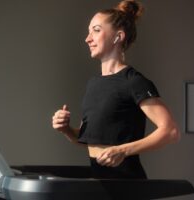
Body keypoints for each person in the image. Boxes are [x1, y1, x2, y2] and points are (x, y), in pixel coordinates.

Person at [52, 0, 180, 179]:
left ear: (117, 37)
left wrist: (123, 150)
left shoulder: (134, 82)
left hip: (127, 185)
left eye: (96, 30)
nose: (88, 38)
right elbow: (89, 141)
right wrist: (66, 129)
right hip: (100, 182)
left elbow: (170, 131)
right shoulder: (93, 84)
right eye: (89, 32)